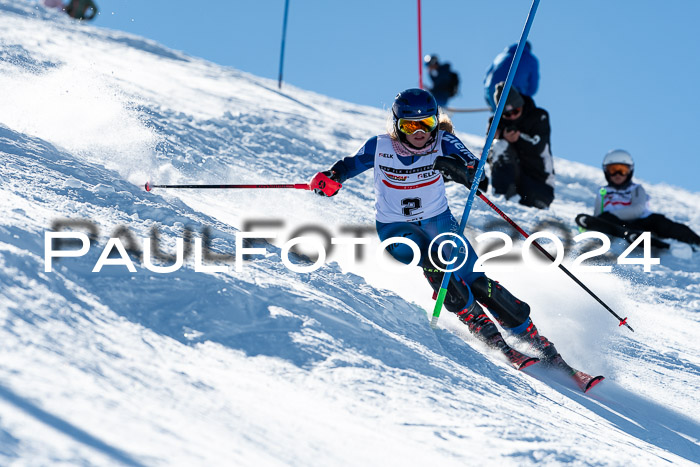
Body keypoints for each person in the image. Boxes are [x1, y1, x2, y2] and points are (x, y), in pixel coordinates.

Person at [309, 88, 564, 368]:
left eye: (427, 124)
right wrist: (331, 178)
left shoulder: (444, 142)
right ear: (397, 125)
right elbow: (347, 166)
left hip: (439, 222)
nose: (419, 133)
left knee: (477, 281)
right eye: (409, 125)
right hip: (396, 229)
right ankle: (481, 327)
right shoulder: (380, 147)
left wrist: (463, 172)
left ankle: (534, 338)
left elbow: (475, 171)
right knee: (434, 261)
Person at [577, 149, 700, 247]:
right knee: (605, 218)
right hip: (617, 224)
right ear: (606, 171)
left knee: (660, 221)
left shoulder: (636, 189)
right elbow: (599, 214)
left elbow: (638, 209)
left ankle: (694, 240)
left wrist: (611, 215)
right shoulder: (603, 192)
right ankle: (633, 235)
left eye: (622, 170)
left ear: (630, 171)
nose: (617, 175)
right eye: (613, 170)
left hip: (641, 221)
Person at [487, 82, 554, 209]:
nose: (512, 116)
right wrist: (499, 137)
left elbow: (538, 147)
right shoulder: (495, 122)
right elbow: (487, 156)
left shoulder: (539, 116)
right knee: (499, 145)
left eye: (516, 111)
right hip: (511, 181)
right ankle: (501, 198)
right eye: (507, 114)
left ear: (521, 105)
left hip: (539, 183)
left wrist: (519, 138)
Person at [484, 41, 539, 112]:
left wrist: (489, 100)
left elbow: (486, 76)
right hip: (514, 93)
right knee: (518, 115)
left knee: (501, 115)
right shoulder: (531, 59)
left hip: (492, 92)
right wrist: (525, 96)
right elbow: (533, 87)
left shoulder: (500, 56)